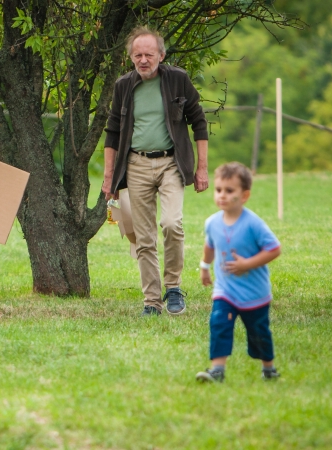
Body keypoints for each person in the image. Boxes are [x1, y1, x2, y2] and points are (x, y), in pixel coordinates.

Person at [102, 26, 209, 316]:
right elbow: (112, 133)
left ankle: (173, 287)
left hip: (171, 163)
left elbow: (199, 123)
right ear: (131, 58)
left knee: (172, 223)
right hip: (135, 165)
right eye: (138, 55)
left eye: (149, 54)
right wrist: (109, 178)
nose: (143, 59)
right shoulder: (123, 86)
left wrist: (202, 169)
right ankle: (151, 301)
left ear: (161, 55)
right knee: (143, 236)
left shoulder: (178, 80)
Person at [196, 162, 281, 382]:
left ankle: (269, 369)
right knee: (219, 324)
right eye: (218, 190)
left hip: (255, 294)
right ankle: (217, 370)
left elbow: (274, 249)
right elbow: (210, 245)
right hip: (225, 291)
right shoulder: (212, 222)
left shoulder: (254, 224)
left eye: (229, 191)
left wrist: (247, 264)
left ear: (244, 195)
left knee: (259, 334)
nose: (222, 195)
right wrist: (205, 266)